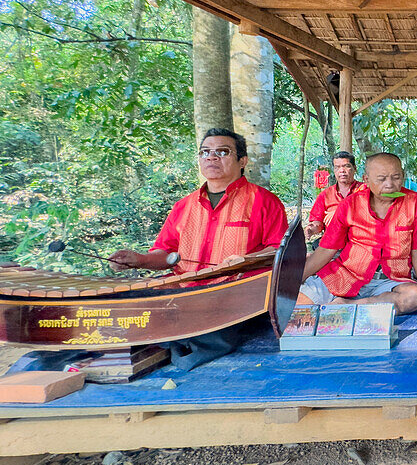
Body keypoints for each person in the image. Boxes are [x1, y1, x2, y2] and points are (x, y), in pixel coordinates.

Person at [108, 128, 289, 368]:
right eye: (205, 152)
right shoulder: (183, 206)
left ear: (242, 161)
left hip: (233, 297)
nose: (212, 157)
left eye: (222, 152)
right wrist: (139, 260)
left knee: (211, 333)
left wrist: (244, 260)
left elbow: (279, 252)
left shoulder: (265, 201)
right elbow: (167, 255)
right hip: (184, 295)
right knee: (124, 310)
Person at [298, 152, 417, 314]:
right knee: (298, 305)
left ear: (403, 176)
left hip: (390, 281)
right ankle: (354, 307)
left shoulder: (415, 202)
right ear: (366, 179)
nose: (390, 184)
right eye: (381, 179)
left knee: (415, 297)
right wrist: (297, 279)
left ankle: (347, 306)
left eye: (396, 177)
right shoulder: (350, 204)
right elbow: (326, 250)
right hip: (346, 275)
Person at [305, 150, 361, 239]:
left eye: (346, 166)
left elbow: (366, 212)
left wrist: (339, 213)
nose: (342, 170)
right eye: (337, 167)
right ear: (334, 170)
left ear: (355, 168)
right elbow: (317, 222)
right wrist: (311, 230)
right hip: (333, 242)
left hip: (359, 241)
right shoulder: (325, 195)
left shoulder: (364, 190)